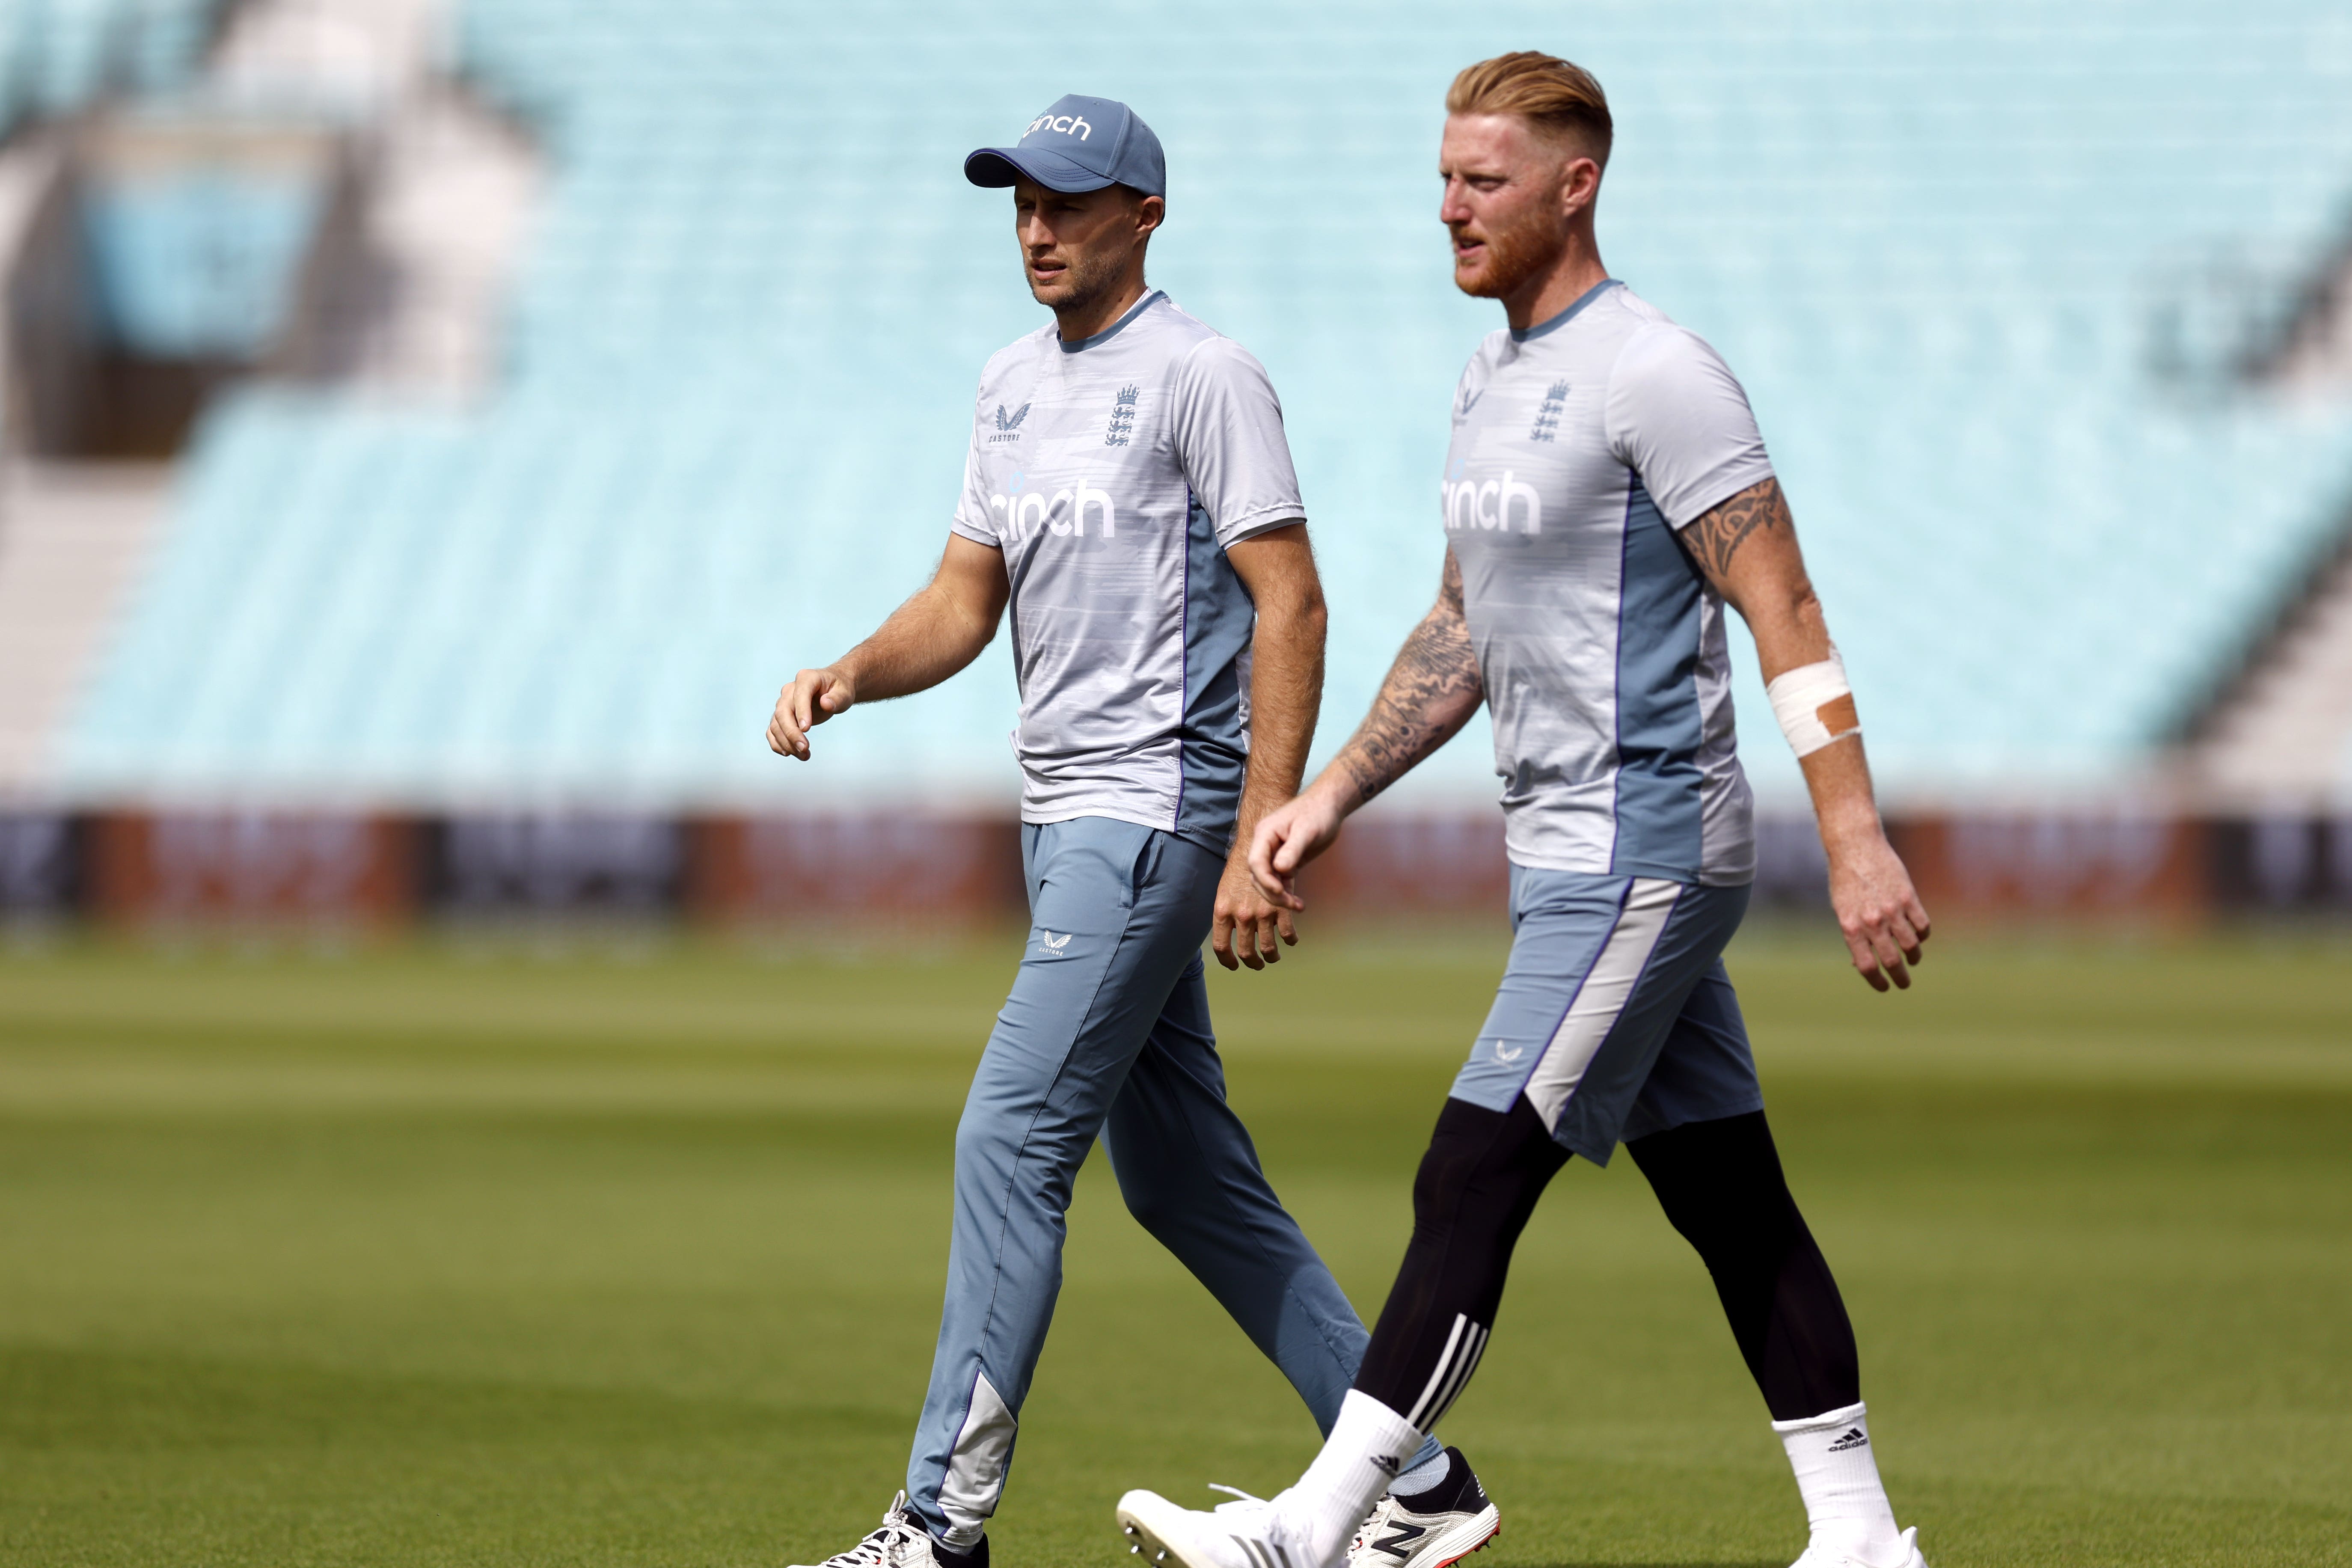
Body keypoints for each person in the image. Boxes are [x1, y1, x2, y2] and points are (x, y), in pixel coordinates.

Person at [1114, 53, 1935, 1568]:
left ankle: (1326, 1529)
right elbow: (1461, 631)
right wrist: (1330, 794)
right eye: (1442, 179)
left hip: (1647, 848)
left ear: (1578, 184)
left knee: (1474, 1165)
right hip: (1562, 854)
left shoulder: (1656, 373)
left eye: (1482, 181)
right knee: (1726, 1192)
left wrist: (1858, 836)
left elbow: (1787, 605)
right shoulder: (1489, 382)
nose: (1451, 209)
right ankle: (1862, 1537)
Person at [769, 96, 1497, 1568]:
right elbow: (964, 602)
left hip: (1154, 812)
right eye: (1020, 201)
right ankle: (1414, 1485)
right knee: (1180, 1180)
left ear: (1144, 214)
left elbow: (1292, 599)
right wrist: (851, 670)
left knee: (1010, 1137)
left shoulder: (1204, 376)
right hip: (1065, 823)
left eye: (1071, 200)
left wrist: (1259, 834)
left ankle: (940, 1524)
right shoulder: (1008, 387)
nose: (1038, 226)